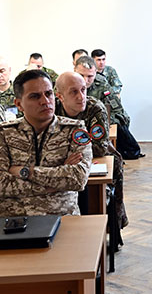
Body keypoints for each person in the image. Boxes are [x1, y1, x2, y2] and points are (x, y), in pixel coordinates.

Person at [0, 69, 92, 216]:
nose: (45, 101)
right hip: (11, 218)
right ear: (19, 104)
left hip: (60, 216)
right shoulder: (2, 133)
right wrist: (54, 183)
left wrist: (25, 171)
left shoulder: (75, 130)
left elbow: (78, 179)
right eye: (35, 96)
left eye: (48, 94)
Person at [54, 71, 128, 228]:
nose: (81, 97)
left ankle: (110, 226)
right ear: (60, 96)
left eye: (83, 90)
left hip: (98, 162)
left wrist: (65, 150)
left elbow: (100, 147)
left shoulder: (94, 108)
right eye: (73, 92)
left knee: (97, 197)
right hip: (67, 166)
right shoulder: (52, 109)